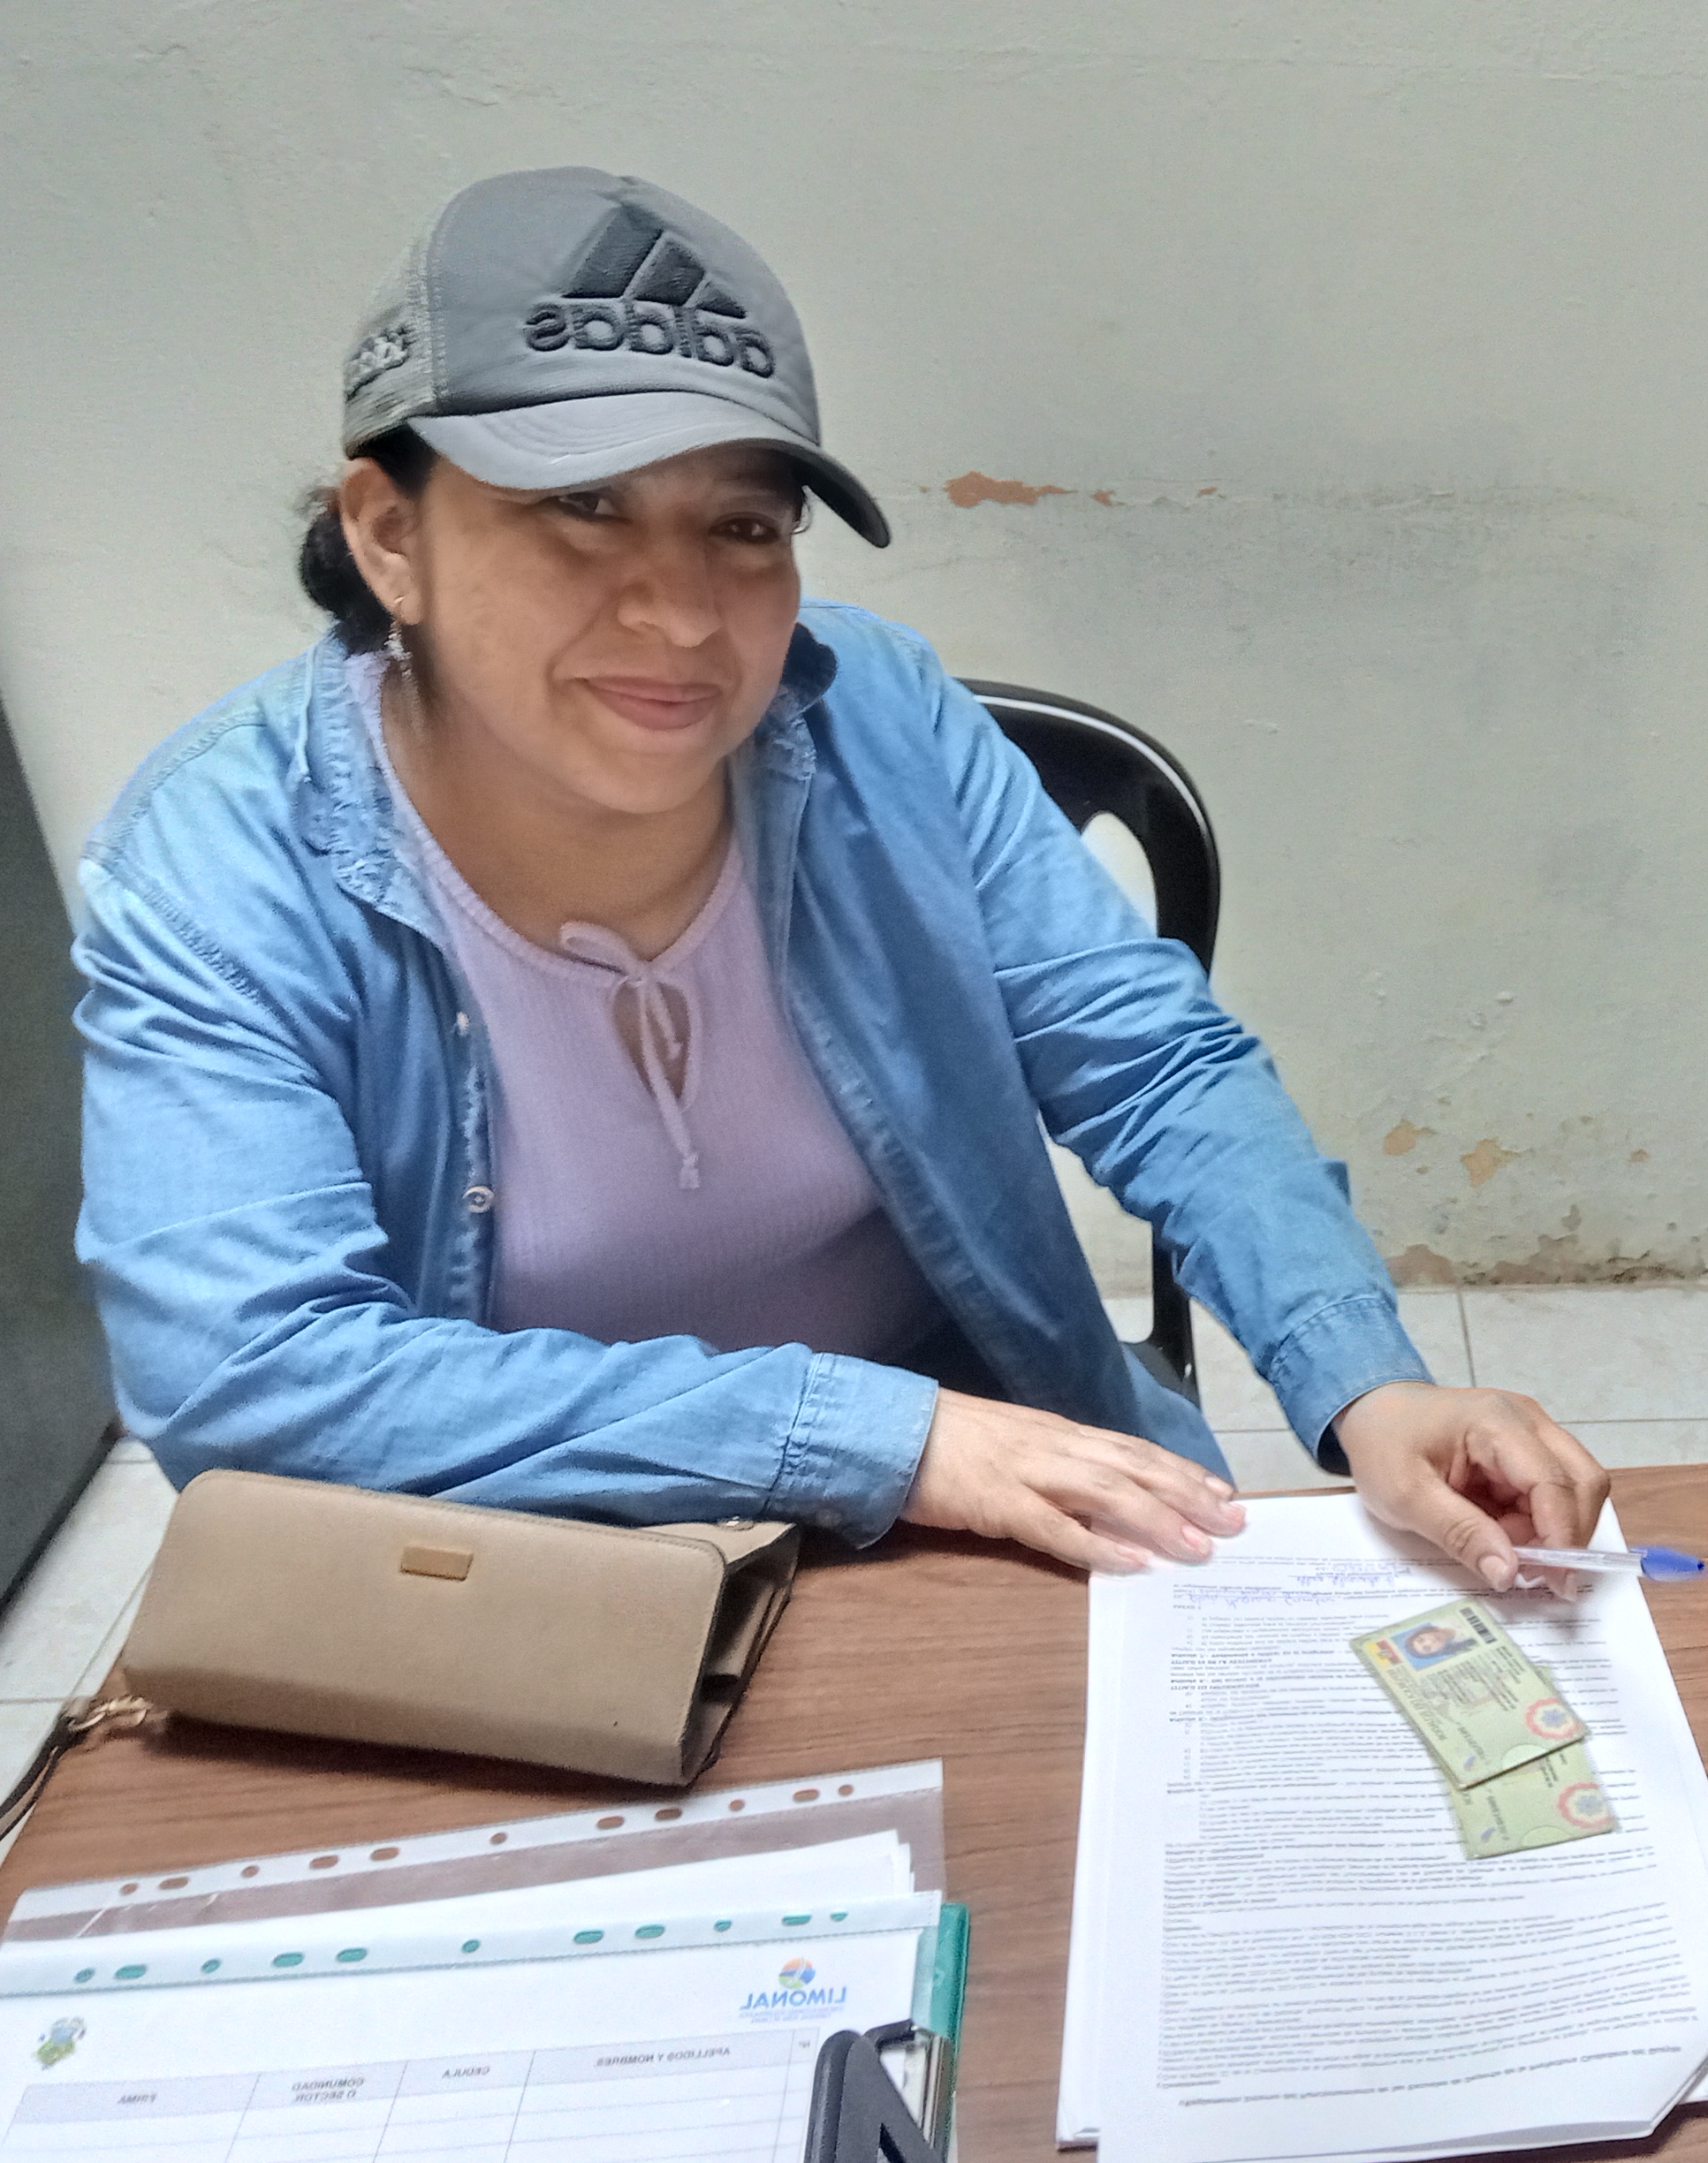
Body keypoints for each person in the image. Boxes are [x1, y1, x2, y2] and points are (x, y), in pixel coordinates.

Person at [74, 166, 1607, 1583]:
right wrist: (869, 1435)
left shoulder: (879, 714)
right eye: (582, 507)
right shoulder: (221, 867)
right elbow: (253, 1379)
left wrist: (1367, 1379)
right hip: (527, 1571)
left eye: (744, 525)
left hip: (967, 1507)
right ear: (388, 534)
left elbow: (1151, 1061)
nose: (682, 614)